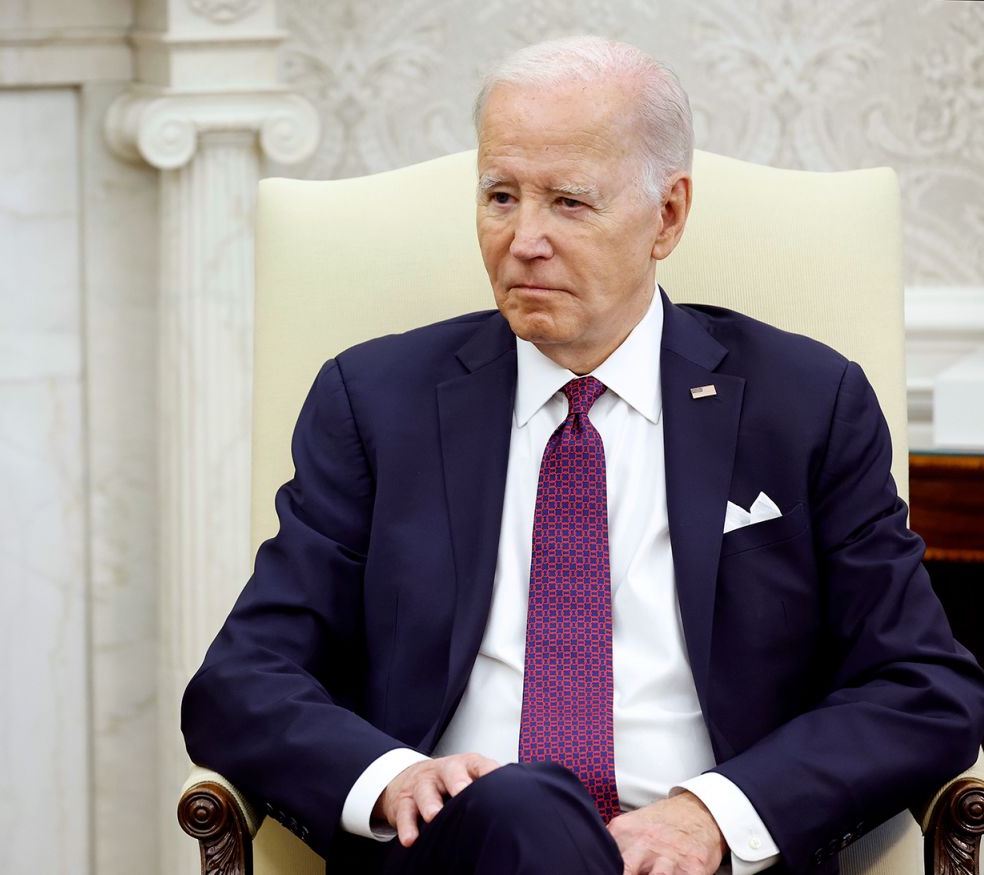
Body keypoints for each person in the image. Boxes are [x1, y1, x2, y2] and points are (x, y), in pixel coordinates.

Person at [181, 35, 984, 875]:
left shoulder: (803, 402)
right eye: (500, 196)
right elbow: (242, 682)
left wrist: (714, 812)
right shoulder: (376, 401)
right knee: (524, 802)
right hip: (459, 848)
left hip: (703, 862)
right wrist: (395, 778)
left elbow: (922, 687)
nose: (524, 238)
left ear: (667, 216)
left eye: (568, 202)